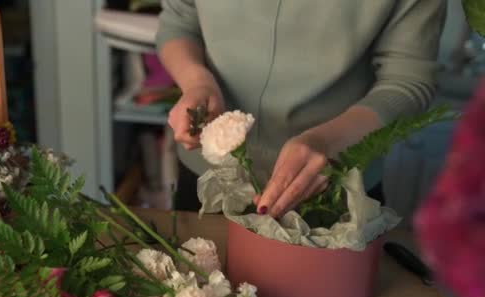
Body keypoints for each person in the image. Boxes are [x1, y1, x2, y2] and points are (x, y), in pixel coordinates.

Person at [156, 0, 446, 216]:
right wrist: (197, 81)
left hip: (334, 184)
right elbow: (179, 23)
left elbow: (408, 80)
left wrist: (329, 141)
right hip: (209, 180)